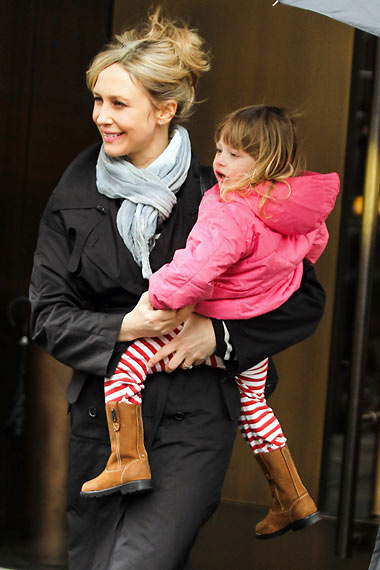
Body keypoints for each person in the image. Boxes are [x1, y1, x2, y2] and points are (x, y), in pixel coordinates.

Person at [29, 9, 327, 570]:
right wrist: (125, 326)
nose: (101, 117)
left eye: (118, 104)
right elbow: (46, 314)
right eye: (97, 101)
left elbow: (302, 298)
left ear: (165, 110)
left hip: (195, 421)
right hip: (106, 421)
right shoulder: (74, 191)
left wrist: (218, 334)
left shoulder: (229, 187)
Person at [80, 104, 339, 541]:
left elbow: (198, 267)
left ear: (271, 161)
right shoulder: (299, 216)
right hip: (251, 339)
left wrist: (158, 296)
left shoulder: (230, 209)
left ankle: (127, 461)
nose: (219, 162)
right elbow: (311, 252)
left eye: (236, 154)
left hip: (203, 321)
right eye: (220, 149)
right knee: (255, 408)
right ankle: (292, 497)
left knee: (125, 366)